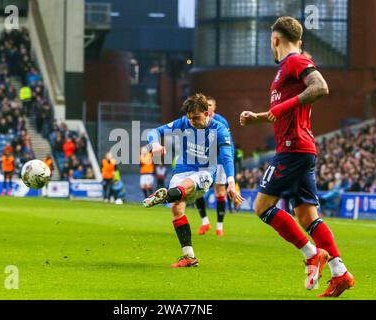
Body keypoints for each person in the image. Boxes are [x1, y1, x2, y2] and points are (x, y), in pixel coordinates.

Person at [239, 16, 353, 297]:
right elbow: (283, 112)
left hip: (293, 148)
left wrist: (285, 105)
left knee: (262, 206)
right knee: (306, 216)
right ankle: (340, 273)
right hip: (301, 149)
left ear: (274, 40)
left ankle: (313, 253)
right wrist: (258, 118)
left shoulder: (294, 61)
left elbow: (320, 87)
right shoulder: (284, 71)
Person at [143, 93, 244, 268]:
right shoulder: (183, 122)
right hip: (182, 170)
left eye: (195, 118)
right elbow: (154, 131)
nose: (192, 122)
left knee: (186, 185)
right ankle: (189, 256)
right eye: (190, 118)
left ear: (207, 113)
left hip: (204, 172)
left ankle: (165, 196)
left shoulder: (220, 129)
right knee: (176, 208)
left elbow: (228, 156)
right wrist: (155, 144)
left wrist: (230, 181)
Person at [195, 96, 237, 236]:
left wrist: (229, 161)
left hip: (219, 162)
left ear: (215, 107)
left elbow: (228, 143)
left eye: (210, 105)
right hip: (204, 160)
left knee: (220, 192)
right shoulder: (199, 119)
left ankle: (219, 227)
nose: (208, 107)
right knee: (198, 190)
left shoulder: (221, 121)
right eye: (206, 105)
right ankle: (205, 222)